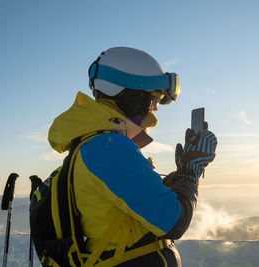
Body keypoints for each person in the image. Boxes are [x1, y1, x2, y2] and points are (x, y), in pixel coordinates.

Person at [47, 47, 217, 266]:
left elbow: (126, 210)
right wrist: (191, 173)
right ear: (133, 95)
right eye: (153, 100)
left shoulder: (97, 145)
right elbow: (173, 222)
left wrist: (178, 177)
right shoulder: (107, 149)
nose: (154, 110)